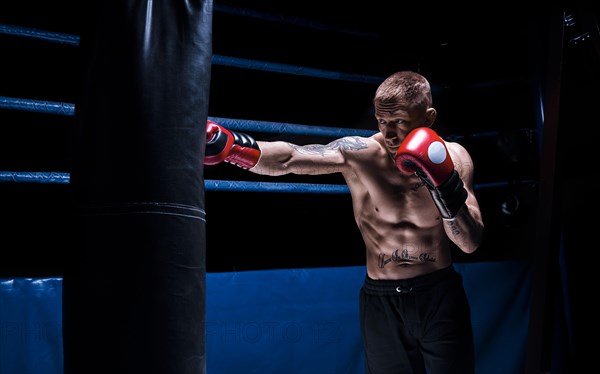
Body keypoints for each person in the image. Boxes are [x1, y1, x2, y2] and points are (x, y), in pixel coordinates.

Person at [204, 70, 484, 374]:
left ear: (428, 117)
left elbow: (469, 243)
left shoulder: (454, 157)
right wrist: (234, 147)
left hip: (438, 293)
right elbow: (292, 158)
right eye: (382, 122)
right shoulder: (362, 153)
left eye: (400, 122)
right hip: (382, 300)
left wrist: (444, 185)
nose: (389, 135)